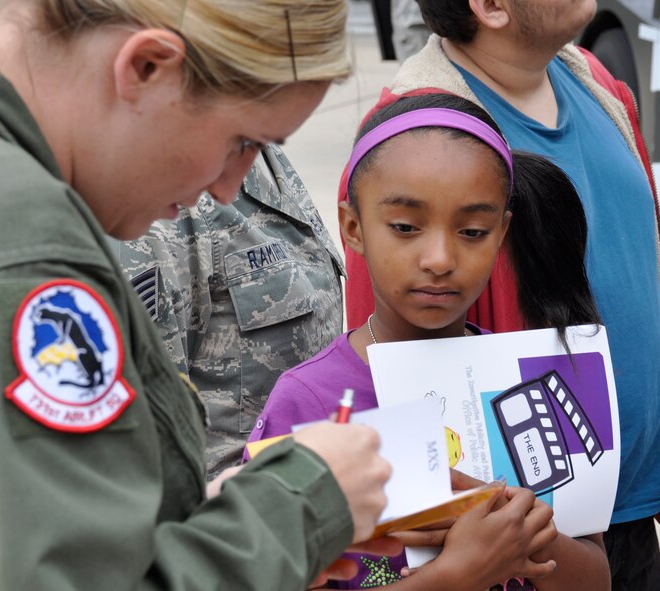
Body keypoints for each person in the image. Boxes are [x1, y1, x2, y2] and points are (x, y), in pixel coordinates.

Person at [0, 1, 401, 589]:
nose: (231, 187)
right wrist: (292, 514)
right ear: (146, 68)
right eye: (241, 141)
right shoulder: (3, 255)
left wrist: (217, 520)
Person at [337, 2, 660, 588]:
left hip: (630, 516)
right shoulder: (414, 137)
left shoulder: (593, 81)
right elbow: (390, 363)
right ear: (491, 7)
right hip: (527, 547)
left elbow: (645, 258)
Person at [249, 93, 611, 590]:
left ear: (502, 234)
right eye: (404, 227)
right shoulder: (308, 402)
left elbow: (595, 580)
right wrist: (457, 574)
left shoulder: (529, 382)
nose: (439, 258)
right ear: (353, 227)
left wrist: (525, 529)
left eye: (472, 230)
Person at [118, 144, 344, 480]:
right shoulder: (168, 200)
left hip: (307, 501)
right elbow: (142, 443)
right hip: (234, 515)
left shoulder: (267, 152)